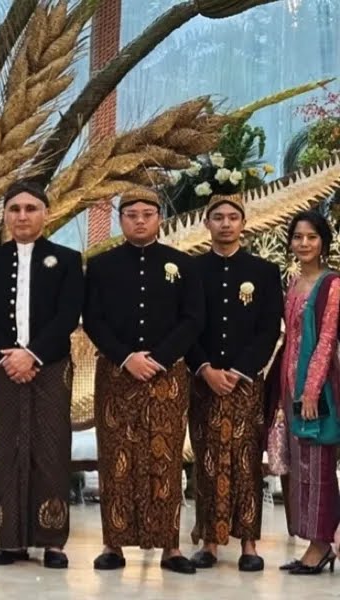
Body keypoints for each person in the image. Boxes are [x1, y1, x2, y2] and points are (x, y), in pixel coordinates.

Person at [83, 191, 203, 574]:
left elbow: (193, 318)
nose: (139, 220)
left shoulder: (182, 264)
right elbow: (93, 318)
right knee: (115, 458)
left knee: (164, 457)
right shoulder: (100, 266)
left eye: (147, 214)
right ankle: (113, 545)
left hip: (167, 375)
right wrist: (126, 357)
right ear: (120, 220)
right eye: (131, 214)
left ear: (159, 218)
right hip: (117, 373)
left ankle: (170, 546)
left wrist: (159, 358)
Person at [0, 180, 82, 569]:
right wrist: (9, 357)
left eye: (30, 208)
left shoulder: (66, 259)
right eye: (14, 209)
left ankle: (52, 541)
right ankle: (12, 542)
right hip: (5, 367)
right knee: (8, 449)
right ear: (4, 215)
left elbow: (68, 314)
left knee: (51, 449)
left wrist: (32, 355)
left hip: (50, 367)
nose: (22, 216)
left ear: (45, 214)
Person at [186, 195, 281, 572]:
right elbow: (185, 324)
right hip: (203, 380)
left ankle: (249, 542)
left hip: (246, 383)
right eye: (218, 217)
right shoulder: (192, 270)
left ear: (243, 223)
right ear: (207, 223)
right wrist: (205, 368)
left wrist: (241, 369)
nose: (225, 224)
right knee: (207, 459)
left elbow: (268, 328)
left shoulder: (264, 271)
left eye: (232, 217)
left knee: (246, 461)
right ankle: (209, 541)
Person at [269, 211, 340, 576]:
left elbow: (327, 340)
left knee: (319, 467)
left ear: (323, 242)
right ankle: (313, 541)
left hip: (318, 391)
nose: (304, 243)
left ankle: (321, 544)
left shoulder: (332, 284)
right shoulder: (294, 282)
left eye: (312, 237)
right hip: (289, 386)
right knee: (300, 469)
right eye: (298, 237)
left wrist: (311, 391)